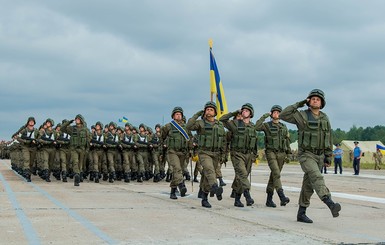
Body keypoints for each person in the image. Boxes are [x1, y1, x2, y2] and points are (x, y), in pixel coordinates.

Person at [280, 89, 341, 223]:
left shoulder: (325, 118)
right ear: (309, 101)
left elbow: (328, 137)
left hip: (319, 156)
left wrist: (328, 156)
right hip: (306, 154)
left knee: (308, 185)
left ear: (322, 103)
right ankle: (329, 202)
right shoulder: (302, 116)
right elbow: (283, 115)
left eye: (318, 99)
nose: (315, 100)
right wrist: (300, 103)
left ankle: (301, 213)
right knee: (317, 176)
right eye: (312, 98)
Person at [187, 102, 226, 208]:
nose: (209, 111)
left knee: (206, 176)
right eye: (207, 109)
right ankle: (215, 186)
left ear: (215, 112)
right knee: (209, 170)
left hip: (216, 153)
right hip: (204, 152)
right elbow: (189, 126)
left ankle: (204, 197)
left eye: (211, 109)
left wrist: (223, 154)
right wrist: (198, 113)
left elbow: (223, 140)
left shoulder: (220, 125)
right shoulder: (200, 123)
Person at [220, 103, 257, 208]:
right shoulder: (235, 124)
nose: (244, 112)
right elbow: (222, 120)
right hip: (237, 154)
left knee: (241, 177)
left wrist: (254, 155)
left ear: (250, 114)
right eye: (243, 110)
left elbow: (255, 142)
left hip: (248, 155)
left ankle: (237, 199)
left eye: (246, 110)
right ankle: (247, 195)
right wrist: (234, 112)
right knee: (243, 174)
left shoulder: (252, 126)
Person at [255, 105, 291, 208]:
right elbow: (256, 127)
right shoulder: (267, 125)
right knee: (276, 173)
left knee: (274, 176)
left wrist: (288, 154)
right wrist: (265, 115)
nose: (276, 114)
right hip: (271, 152)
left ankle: (269, 199)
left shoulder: (283, 126)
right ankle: (282, 196)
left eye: (278, 112)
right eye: (274, 112)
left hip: (281, 154)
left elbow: (287, 141)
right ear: (271, 114)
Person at [162, 107, 190, 200]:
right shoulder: (168, 126)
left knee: (178, 172)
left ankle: (173, 191)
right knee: (177, 169)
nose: (178, 115)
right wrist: (163, 146)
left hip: (183, 152)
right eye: (176, 114)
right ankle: (181, 185)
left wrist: (191, 149)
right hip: (172, 152)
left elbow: (190, 138)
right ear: (173, 116)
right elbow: (162, 136)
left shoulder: (186, 127)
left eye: (180, 114)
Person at [61, 114, 91, 186]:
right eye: (76, 119)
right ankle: (76, 176)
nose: (76, 120)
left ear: (81, 120)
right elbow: (62, 128)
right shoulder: (72, 128)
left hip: (82, 149)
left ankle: (79, 174)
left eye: (78, 119)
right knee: (75, 162)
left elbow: (88, 141)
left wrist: (87, 150)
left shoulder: (86, 130)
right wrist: (68, 122)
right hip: (74, 149)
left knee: (80, 165)